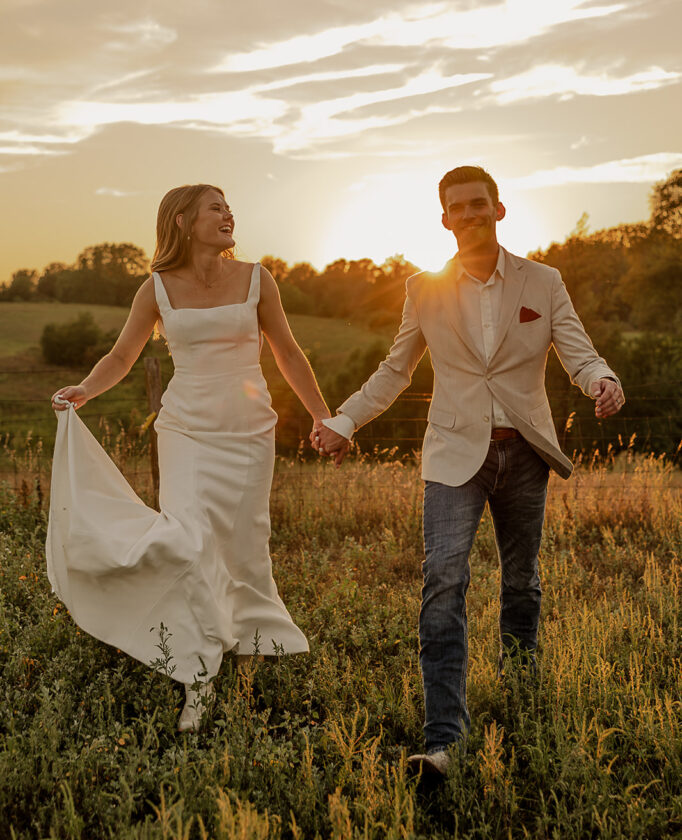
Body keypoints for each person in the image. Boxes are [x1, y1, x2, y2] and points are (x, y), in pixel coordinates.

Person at [314, 165, 624, 777]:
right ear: (445, 220)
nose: (471, 214)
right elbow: (396, 368)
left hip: (526, 451)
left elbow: (576, 347)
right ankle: (443, 742)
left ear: (499, 210)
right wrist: (345, 420)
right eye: (459, 207)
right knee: (444, 583)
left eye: (480, 204)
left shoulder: (544, 280)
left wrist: (601, 379)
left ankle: (520, 694)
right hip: (455, 455)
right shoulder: (423, 288)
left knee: (521, 583)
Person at [48, 184, 330, 731]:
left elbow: (288, 351)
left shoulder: (257, 278)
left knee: (245, 546)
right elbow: (123, 353)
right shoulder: (155, 288)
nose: (228, 214)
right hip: (185, 430)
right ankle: (197, 674)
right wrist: (84, 389)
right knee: (187, 540)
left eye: (229, 206)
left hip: (249, 431)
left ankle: (247, 654)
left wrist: (323, 416)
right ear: (181, 220)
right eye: (215, 207)